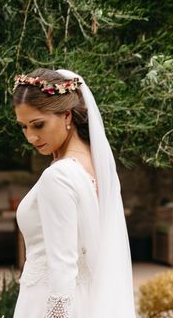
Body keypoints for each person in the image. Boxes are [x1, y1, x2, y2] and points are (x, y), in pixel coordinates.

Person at [11, 68, 136, 318]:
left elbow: (63, 266)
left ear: (66, 115)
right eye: (23, 127)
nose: (31, 137)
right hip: (87, 299)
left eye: (38, 124)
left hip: (48, 301)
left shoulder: (58, 177)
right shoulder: (98, 167)